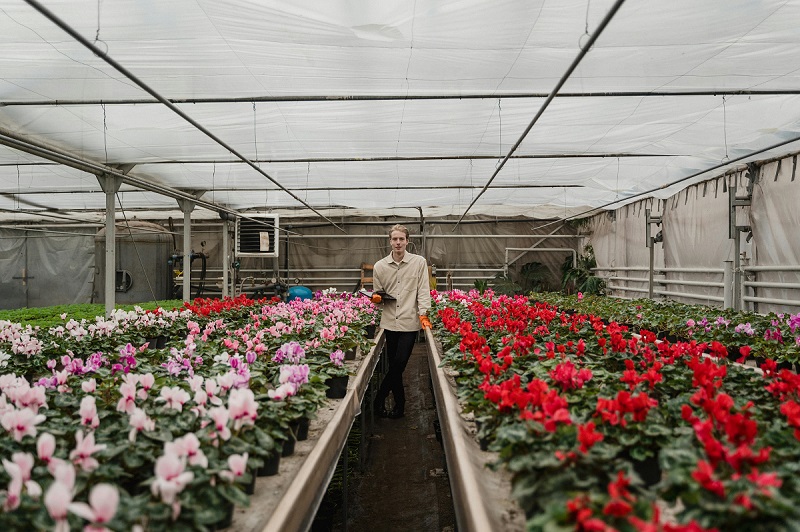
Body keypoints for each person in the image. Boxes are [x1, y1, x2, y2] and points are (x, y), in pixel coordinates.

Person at [370, 224, 432, 419]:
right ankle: (400, 407)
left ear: (407, 241)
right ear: (390, 241)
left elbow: (423, 290)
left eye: (401, 239)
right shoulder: (380, 266)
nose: (398, 242)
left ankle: (379, 398)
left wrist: (424, 313)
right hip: (389, 322)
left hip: (409, 321)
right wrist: (376, 299)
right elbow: (378, 294)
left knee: (398, 364)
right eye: (394, 239)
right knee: (395, 367)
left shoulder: (418, 262)